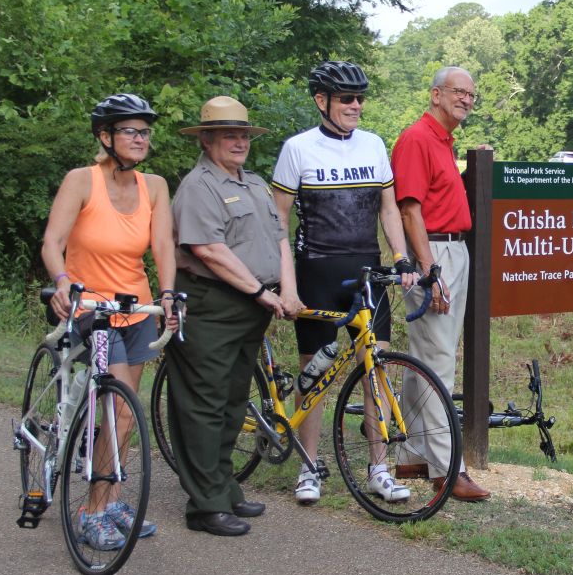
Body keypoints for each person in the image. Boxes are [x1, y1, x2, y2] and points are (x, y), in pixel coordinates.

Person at [271, 61, 417, 506]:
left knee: (376, 369)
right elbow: (278, 219)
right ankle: (309, 466)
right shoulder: (298, 148)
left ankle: (378, 467)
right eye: (346, 98)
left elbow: (389, 209)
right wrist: (287, 285)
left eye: (360, 98)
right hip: (316, 269)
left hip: (366, 272)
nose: (356, 105)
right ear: (322, 101)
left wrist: (401, 256)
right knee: (313, 371)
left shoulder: (374, 145)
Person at [40, 92, 176, 550]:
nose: (141, 139)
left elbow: (162, 248)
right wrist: (61, 280)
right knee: (117, 410)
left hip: (135, 307)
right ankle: (91, 510)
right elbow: (52, 241)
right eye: (131, 131)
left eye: (145, 132)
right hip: (90, 310)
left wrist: (168, 294)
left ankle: (112, 499)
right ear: (105, 136)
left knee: (124, 411)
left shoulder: (153, 185)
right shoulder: (82, 180)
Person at [168, 96, 302, 536]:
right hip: (212, 306)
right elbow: (208, 250)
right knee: (203, 404)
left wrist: (289, 290)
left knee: (231, 402)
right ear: (207, 140)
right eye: (229, 134)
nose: (239, 141)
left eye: (244, 134)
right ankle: (205, 504)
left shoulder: (255, 183)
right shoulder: (198, 187)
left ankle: (224, 489)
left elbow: (280, 239)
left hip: (250, 309)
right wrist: (261, 291)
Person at [388, 66, 490, 502]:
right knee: (438, 362)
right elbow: (409, 211)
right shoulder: (416, 138)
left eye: (471, 94)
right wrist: (430, 272)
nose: (466, 99)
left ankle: (413, 451)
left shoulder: (444, 142)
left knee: (424, 357)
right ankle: (448, 469)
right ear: (434, 94)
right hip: (433, 252)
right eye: (458, 92)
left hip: (454, 248)